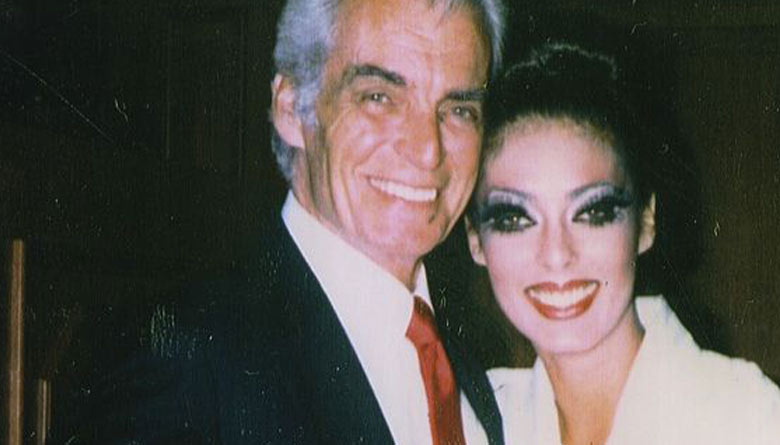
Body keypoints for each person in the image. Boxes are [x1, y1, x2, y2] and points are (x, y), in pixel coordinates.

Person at [51, 0, 508, 443]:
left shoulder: (467, 368)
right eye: (379, 97)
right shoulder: (181, 359)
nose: (428, 150)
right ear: (292, 109)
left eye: (459, 110)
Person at [463, 41, 780, 445]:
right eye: (515, 219)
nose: (557, 255)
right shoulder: (472, 423)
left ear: (646, 222)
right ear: (475, 239)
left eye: (593, 213)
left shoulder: (746, 418)